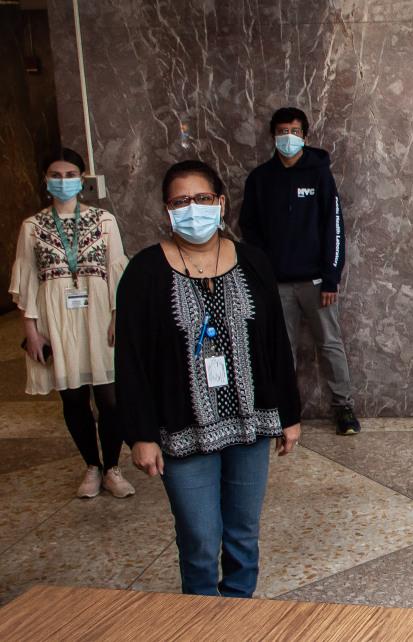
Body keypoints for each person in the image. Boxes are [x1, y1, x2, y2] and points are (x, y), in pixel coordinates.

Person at [118, 160, 302, 597]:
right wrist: (141, 435)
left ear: (220, 203)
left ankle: (237, 609)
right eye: (180, 201)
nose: (193, 209)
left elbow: (276, 343)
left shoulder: (253, 261)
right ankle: (199, 617)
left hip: (249, 424)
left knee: (243, 532)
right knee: (199, 537)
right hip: (183, 429)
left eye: (202, 198)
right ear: (167, 210)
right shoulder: (144, 272)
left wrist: (289, 415)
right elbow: (130, 360)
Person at [9, 148, 134, 499]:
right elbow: (27, 280)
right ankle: (91, 465)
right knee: (74, 399)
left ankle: (112, 467)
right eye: (56, 175)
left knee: (110, 399)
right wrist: (32, 331)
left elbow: (117, 273)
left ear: (82, 179)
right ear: (45, 179)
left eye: (70, 175)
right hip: (57, 320)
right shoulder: (32, 227)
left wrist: (117, 317)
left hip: (99, 316)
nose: (63, 181)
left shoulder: (104, 220)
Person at [239, 107, 360, 435]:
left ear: (305, 136)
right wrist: (263, 273)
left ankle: (344, 407)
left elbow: (334, 228)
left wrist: (331, 276)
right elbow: (249, 229)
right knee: (281, 349)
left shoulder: (319, 175)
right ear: (272, 136)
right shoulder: (260, 179)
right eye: (282, 131)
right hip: (276, 284)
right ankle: (284, 412)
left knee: (330, 344)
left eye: (294, 131)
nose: (288, 138)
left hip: (317, 282)